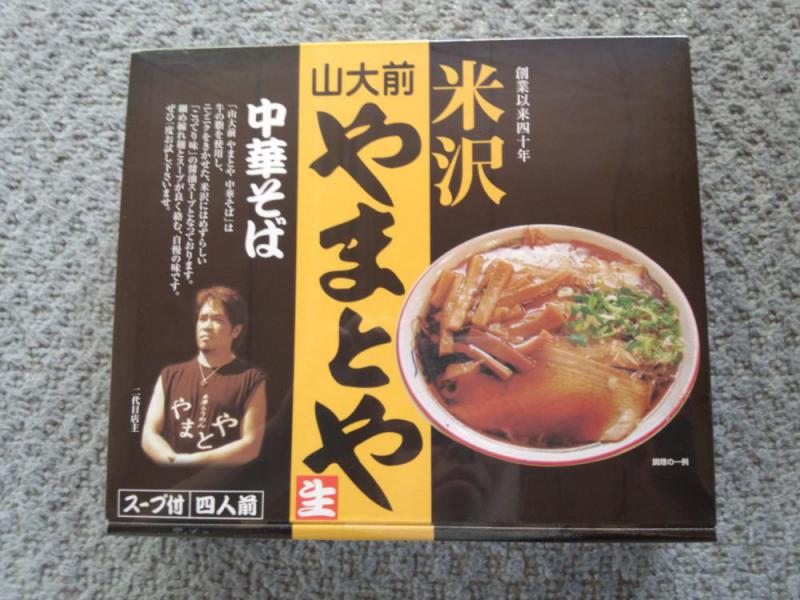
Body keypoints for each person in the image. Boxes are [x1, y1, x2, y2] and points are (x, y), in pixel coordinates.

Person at [141, 286, 267, 467]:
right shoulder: (170, 375)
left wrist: (191, 460)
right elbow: (149, 434)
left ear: (236, 331)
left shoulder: (251, 378)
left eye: (217, 320)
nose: (206, 326)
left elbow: (250, 445)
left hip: (222, 480)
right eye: (202, 319)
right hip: (173, 478)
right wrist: (172, 459)